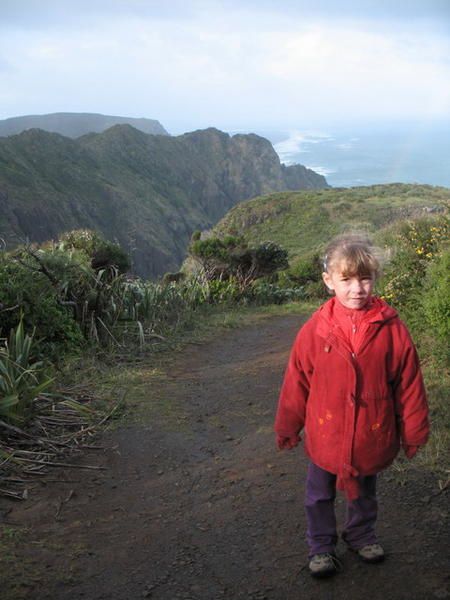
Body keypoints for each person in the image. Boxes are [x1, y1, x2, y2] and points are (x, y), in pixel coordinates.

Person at [274, 234, 429, 578]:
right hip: (325, 432)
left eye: (364, 278)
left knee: (364, 493)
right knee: (318, 494)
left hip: (370, 433)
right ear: (329, 281)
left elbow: (409, 384)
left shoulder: (393, 330)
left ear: (374, 279)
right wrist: (287, 426)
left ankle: (361, 534)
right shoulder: (314, 330)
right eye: (346, 279)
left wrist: (414, 431)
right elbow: (297, 382)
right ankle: (321, 546)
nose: (356, 288)